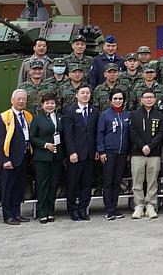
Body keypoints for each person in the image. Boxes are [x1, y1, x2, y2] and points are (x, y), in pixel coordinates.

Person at [0, 89, 33, 225]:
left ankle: (17, 213)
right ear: (12, 101)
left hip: (24, 157)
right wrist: (5, 160)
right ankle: (8, 215)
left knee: (19, 187)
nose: (22, 101)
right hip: (10, 159)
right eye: (19, 99)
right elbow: (0, 141)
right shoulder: (4, 117)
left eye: (24, 99)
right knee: (8, 188)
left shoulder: (27, 116)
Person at [63, 84, 99, 221]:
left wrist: (96, 150)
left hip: (90, 154)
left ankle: (83, 209)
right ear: (76, 95)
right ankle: (73, 210)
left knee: (87, 184)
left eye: (88, 93)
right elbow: (68, 134)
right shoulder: (70, 111)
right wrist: (72, 151)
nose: (85, 95)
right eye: (82, 93)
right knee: (73, 184)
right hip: (76, 155)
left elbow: (96, 132)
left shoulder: (94, 111)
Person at [129, 89, 163, 219]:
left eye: (151, 97)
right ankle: (138, 205)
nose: (149, 99)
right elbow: (132, 132)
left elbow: (161, 133)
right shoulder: (134, 114)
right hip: (137, 153)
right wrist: (142, 146)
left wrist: (150, 146)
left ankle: (151, 204)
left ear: (155, 99)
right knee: (137, 181)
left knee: (152, 181)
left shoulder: (160, 115)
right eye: (146, 97)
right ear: (141, 99)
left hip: (154, 153)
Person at [30, 93, 65, 224]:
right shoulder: (38, 119)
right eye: (47, 103)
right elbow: (32, 137)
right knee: (43, 185)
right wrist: (45, 145)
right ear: (42, 105)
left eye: (52, 103)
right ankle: (43, 212)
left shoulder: (60, 118)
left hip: (57, 157)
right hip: (42, 158)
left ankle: (51, 211)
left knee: (54, 184)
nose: (50, 106)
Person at [97, 88, 131, 220]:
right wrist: (101, 151)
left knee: (117, 181)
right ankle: (109, 209)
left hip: (122, 153)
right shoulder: (105, 115)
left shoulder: (127, 115)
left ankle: (115, 207)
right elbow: (100, 133)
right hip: (109, 153)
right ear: (111, 100)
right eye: (115, 98)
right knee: (108, 181)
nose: (118, 101)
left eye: (120, 99)